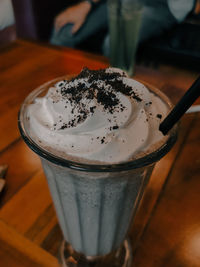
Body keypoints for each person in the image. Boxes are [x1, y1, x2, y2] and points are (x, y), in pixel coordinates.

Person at [50, 0, 196, 56]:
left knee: (115, 42)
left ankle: (112, 98)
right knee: (64, 29)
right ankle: (55, 91)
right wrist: (87, 4)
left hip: (162, 5)